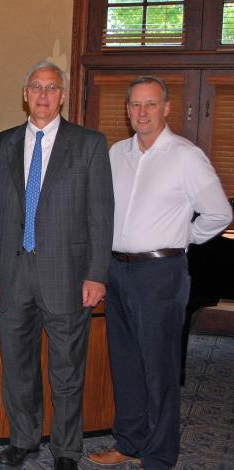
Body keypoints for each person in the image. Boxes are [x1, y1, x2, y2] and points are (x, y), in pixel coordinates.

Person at [87, 76, 232, 469]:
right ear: (127, 109)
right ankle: (129, 443)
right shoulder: (116, 153)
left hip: (160, 273)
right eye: (135, 105)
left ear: (167, 108)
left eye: (150, 104)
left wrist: (183, 237)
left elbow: (220, 213)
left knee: (160, 368)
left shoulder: (186, 156)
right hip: (117, 271)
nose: (142, 112)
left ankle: (159, 455)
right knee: (127, 365)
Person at [0, 61, 114, 470]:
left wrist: (96, 274)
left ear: (63, 95)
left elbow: (101, 216)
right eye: (35, 86)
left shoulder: (89, 144)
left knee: (67, 372)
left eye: (51, 88)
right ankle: (24, 439)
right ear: (24, 93)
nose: (42, 95)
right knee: (17, 367)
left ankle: (67, 450)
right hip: (12, 276)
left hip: (68, 279)